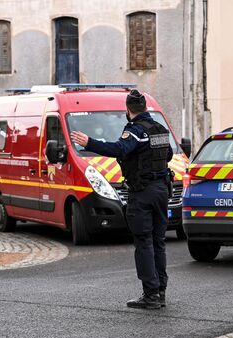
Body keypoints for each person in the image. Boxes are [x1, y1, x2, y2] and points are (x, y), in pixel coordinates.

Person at [70, 89, 173, 309]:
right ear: (145, 107)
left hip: (142, 192)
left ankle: (150, 294)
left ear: (128, 110)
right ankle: (160, 291)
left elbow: (119, 149)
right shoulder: (160, 129)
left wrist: (89, 143)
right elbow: (169, 155)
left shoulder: (134, 131)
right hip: (162, 190)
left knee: (144, 241)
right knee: (158, 241)